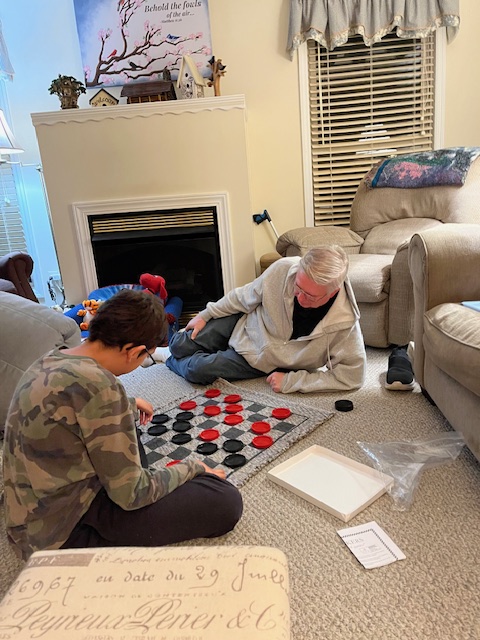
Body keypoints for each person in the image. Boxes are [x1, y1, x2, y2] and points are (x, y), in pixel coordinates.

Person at [3, 289, 242, 560]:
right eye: (145, 356)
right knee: (224, 500)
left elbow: (69, 404)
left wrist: (126, 404)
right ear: (133, 352)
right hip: (60, 534)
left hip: (29, 517)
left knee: (126, 426)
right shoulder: (102, 387)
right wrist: (193, 468)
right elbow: (133, 494)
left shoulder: (52, 358)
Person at [148, 245, 366, 393]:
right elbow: (243, 296)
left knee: (197, 370)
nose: (300, 298)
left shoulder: (345, 322)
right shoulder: (284, 269)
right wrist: (206, 314)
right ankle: (171, 351)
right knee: (179, 344)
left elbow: (352, 377)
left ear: (334, 292)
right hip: (245, 321)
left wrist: (293, 381)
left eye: (310, 296)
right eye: (298, 287)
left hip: (260, 361)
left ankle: (166, 358)